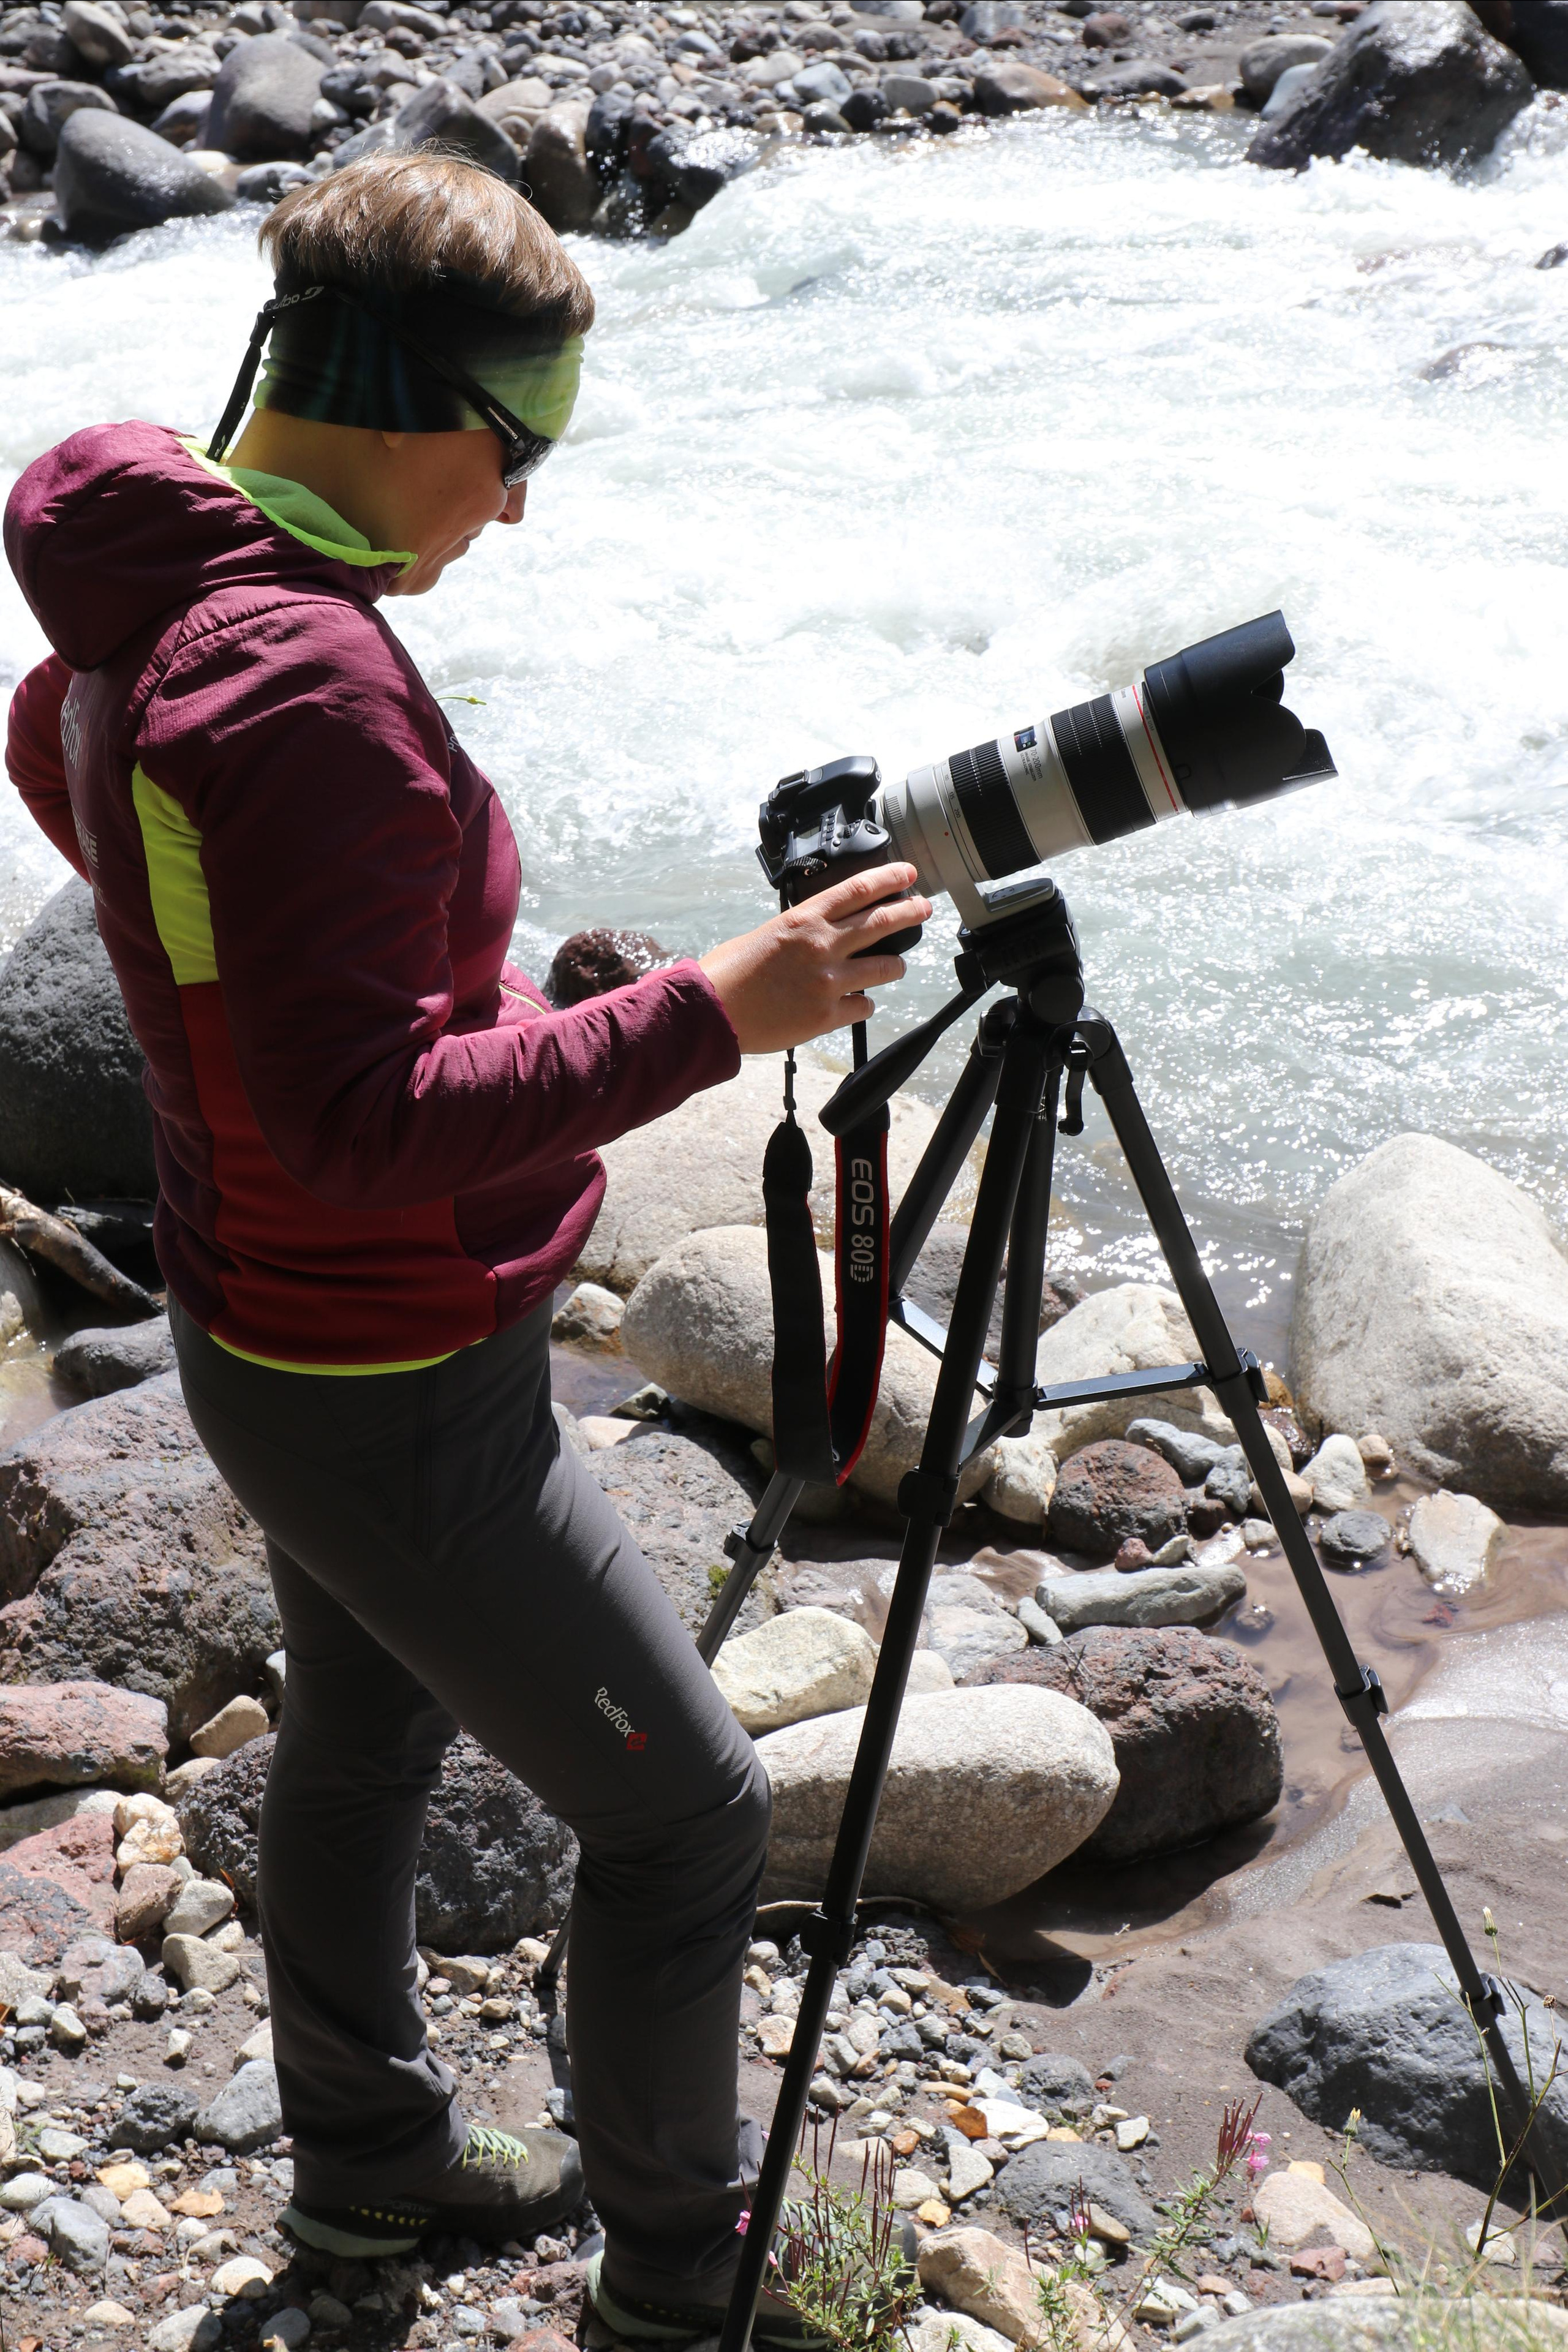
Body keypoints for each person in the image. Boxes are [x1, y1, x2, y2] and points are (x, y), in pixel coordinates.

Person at [2, 153, 929, 2343]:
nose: (517, 513)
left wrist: (522, 1001)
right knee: (691, 1820)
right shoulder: (312, 689)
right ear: (421, 412)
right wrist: (714, 1012)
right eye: (519, 455)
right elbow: (353, 1127)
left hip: (260, 1336)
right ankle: (676, 2291)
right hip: (389, 1372)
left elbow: (235, 975)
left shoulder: (148, 604)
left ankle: (369, 2183)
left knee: (355, 1751)